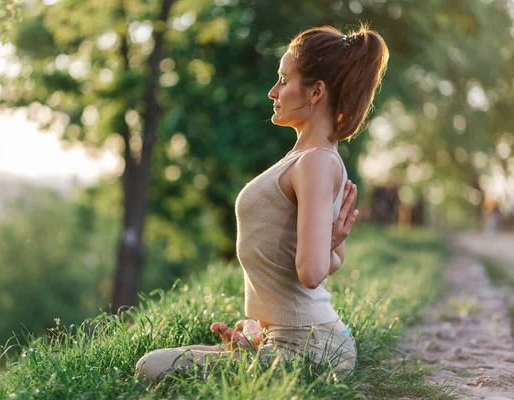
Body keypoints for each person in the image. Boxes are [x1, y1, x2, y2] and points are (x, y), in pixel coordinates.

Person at [135, 23, 389, 383]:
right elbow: (330, 262)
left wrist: (328, 243)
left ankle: (268, 352)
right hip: (291, 339)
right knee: (166, 360)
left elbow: (314, 272)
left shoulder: (316, 162)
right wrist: (262, 328)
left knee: (153, 368)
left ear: (316, 91)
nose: (274, 91)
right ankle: (259, 345)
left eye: (284, 80)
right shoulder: (305, 158)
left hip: (312, 348)